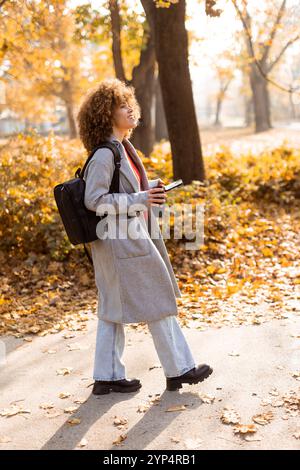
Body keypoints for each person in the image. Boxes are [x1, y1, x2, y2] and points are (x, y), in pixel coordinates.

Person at [76, 78, 213, 395]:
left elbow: (125, 190)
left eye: (130, 104)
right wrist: (141, 199)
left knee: (114, 307)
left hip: (127, 238)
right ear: (105, 114)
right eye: (122, 106)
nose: (130, 110)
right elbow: (94, 201)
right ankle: (178, 369)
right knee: (156, 298)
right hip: (120, 241)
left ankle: (107, 376)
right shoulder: (105, 154)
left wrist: (150, 189)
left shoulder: (123, 148)